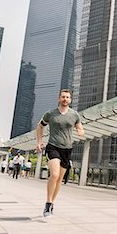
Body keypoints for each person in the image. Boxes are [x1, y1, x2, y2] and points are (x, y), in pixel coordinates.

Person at [36, 89, 84, 217]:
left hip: (67, 149)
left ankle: (52, 203)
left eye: (67, 97)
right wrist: (39, 141)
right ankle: (47, 203)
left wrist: (80, 132)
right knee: (55, 174)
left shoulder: (75, 115)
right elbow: (40, 126)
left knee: (59, 180)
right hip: (53, 147)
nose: (65, 99)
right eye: (63, 97)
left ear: (70, 100)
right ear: (59, 98)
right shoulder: (51, 114)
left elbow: (80, 127)